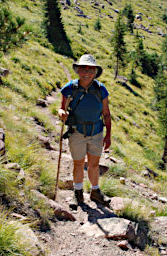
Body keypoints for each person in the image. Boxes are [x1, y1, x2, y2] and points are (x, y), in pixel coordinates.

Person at [58, 54, 111, 209]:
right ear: (78, 70)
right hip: (77, 132)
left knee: (94, 164)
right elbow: (62, 107)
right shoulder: (70, 88)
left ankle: (95, 191)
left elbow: (106, 113)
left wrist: (108, 136)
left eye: (90, 69)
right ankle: (78, 193)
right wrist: (61, 113)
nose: (86, 72)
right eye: (83, 68)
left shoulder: (101, 90)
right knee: (79, 163)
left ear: (95, 72)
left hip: (96, 132)